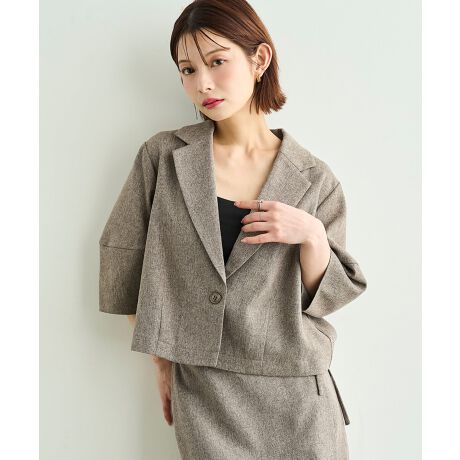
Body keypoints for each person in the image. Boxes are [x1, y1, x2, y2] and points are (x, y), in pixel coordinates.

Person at [99, 0, 367, 458]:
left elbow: (327, 297)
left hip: (299, 396)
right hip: (205, 393)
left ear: (259, 60)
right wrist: (161, 359)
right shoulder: (164, 158)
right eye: (187, 70)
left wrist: (312, 235)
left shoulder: (314, 179)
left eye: (217, 62)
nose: (202, 83)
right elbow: (122, 255)